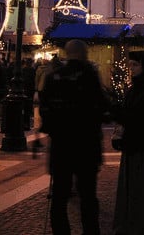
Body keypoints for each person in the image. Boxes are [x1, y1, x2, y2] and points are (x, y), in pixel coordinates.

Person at [39, 40, 112, 235]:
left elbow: (44, 108)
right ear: (83, 53)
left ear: (67, 53)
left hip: (61, 145)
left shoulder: (54, 76)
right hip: (86, 144)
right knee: (88, 195)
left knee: (60, 195)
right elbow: (102, 106)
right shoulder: (89, 75)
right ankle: (90, 231)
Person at [110, 50, 144, 235]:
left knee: (140, 187)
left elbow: (142, 118)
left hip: (142, 144)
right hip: (133, 143)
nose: (131, 69)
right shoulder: (135, 87)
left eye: (135, 65)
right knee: (131, 186)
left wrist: (118, 113)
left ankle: (140, 224)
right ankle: (131, 221)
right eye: (130, 65)